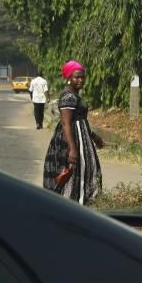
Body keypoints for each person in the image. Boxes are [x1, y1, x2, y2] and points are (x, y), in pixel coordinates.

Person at [43, 60, 103, 205]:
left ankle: (83, 204)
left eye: (82, 77)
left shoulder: (74, 94)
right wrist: (72, 149)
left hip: (82, 138)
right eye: (76, 77)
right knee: (74, 174)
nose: (80, 80)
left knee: (86, 171)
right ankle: (72, 206)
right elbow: (66, 123)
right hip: (73, 141)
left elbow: (81, 120)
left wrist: (94, 137)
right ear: (68, 77)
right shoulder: (68, 96)